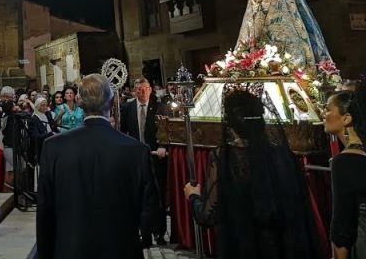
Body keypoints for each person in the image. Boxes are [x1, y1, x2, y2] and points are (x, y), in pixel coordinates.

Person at [184, 88, 320, 259]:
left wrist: (193, 196)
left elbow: (207, 215)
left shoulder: (225, 158)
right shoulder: (282, 155)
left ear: (230, 122)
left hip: (244, 247)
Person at [37, 74, 158, 259]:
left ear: (79, 102)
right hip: (121, 250)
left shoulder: (54, 147)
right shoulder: (137, 151)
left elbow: (45, 213)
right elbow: (150, 211)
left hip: (70, 249)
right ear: (111, 102)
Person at [120, 77, 168, 246]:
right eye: (139, 89)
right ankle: (145, 235)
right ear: (134, 91)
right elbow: (123, 131)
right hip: (136, 160)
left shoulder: (160, 107)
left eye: (145, 89)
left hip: (155, 158)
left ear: (150, 90)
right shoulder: (127, 108)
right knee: (140, 197)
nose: (142, 92)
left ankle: (160, 233)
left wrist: (162, 146)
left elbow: (166, 130)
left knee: (158, 197)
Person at [323, 87, 366, 259]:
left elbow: (341, 225)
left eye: (327, 109)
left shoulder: (345, 161)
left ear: (346, 118)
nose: (323, 114)